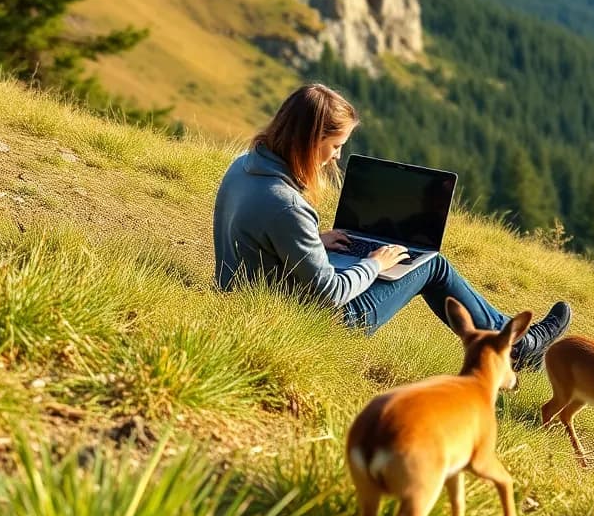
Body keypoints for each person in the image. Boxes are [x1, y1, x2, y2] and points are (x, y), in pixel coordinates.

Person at [212, 83, 571, 370]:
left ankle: (511, 343)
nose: (337, 156)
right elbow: (332, 295)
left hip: (249, 296)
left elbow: (259, 240)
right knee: (431, 263)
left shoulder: (243, 166)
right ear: (309, 141)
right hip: (320, 320)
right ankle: (518, 348)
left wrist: (313, 242)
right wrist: (375, 264)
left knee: (403, 258)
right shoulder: (288, 206)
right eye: (335, 146)